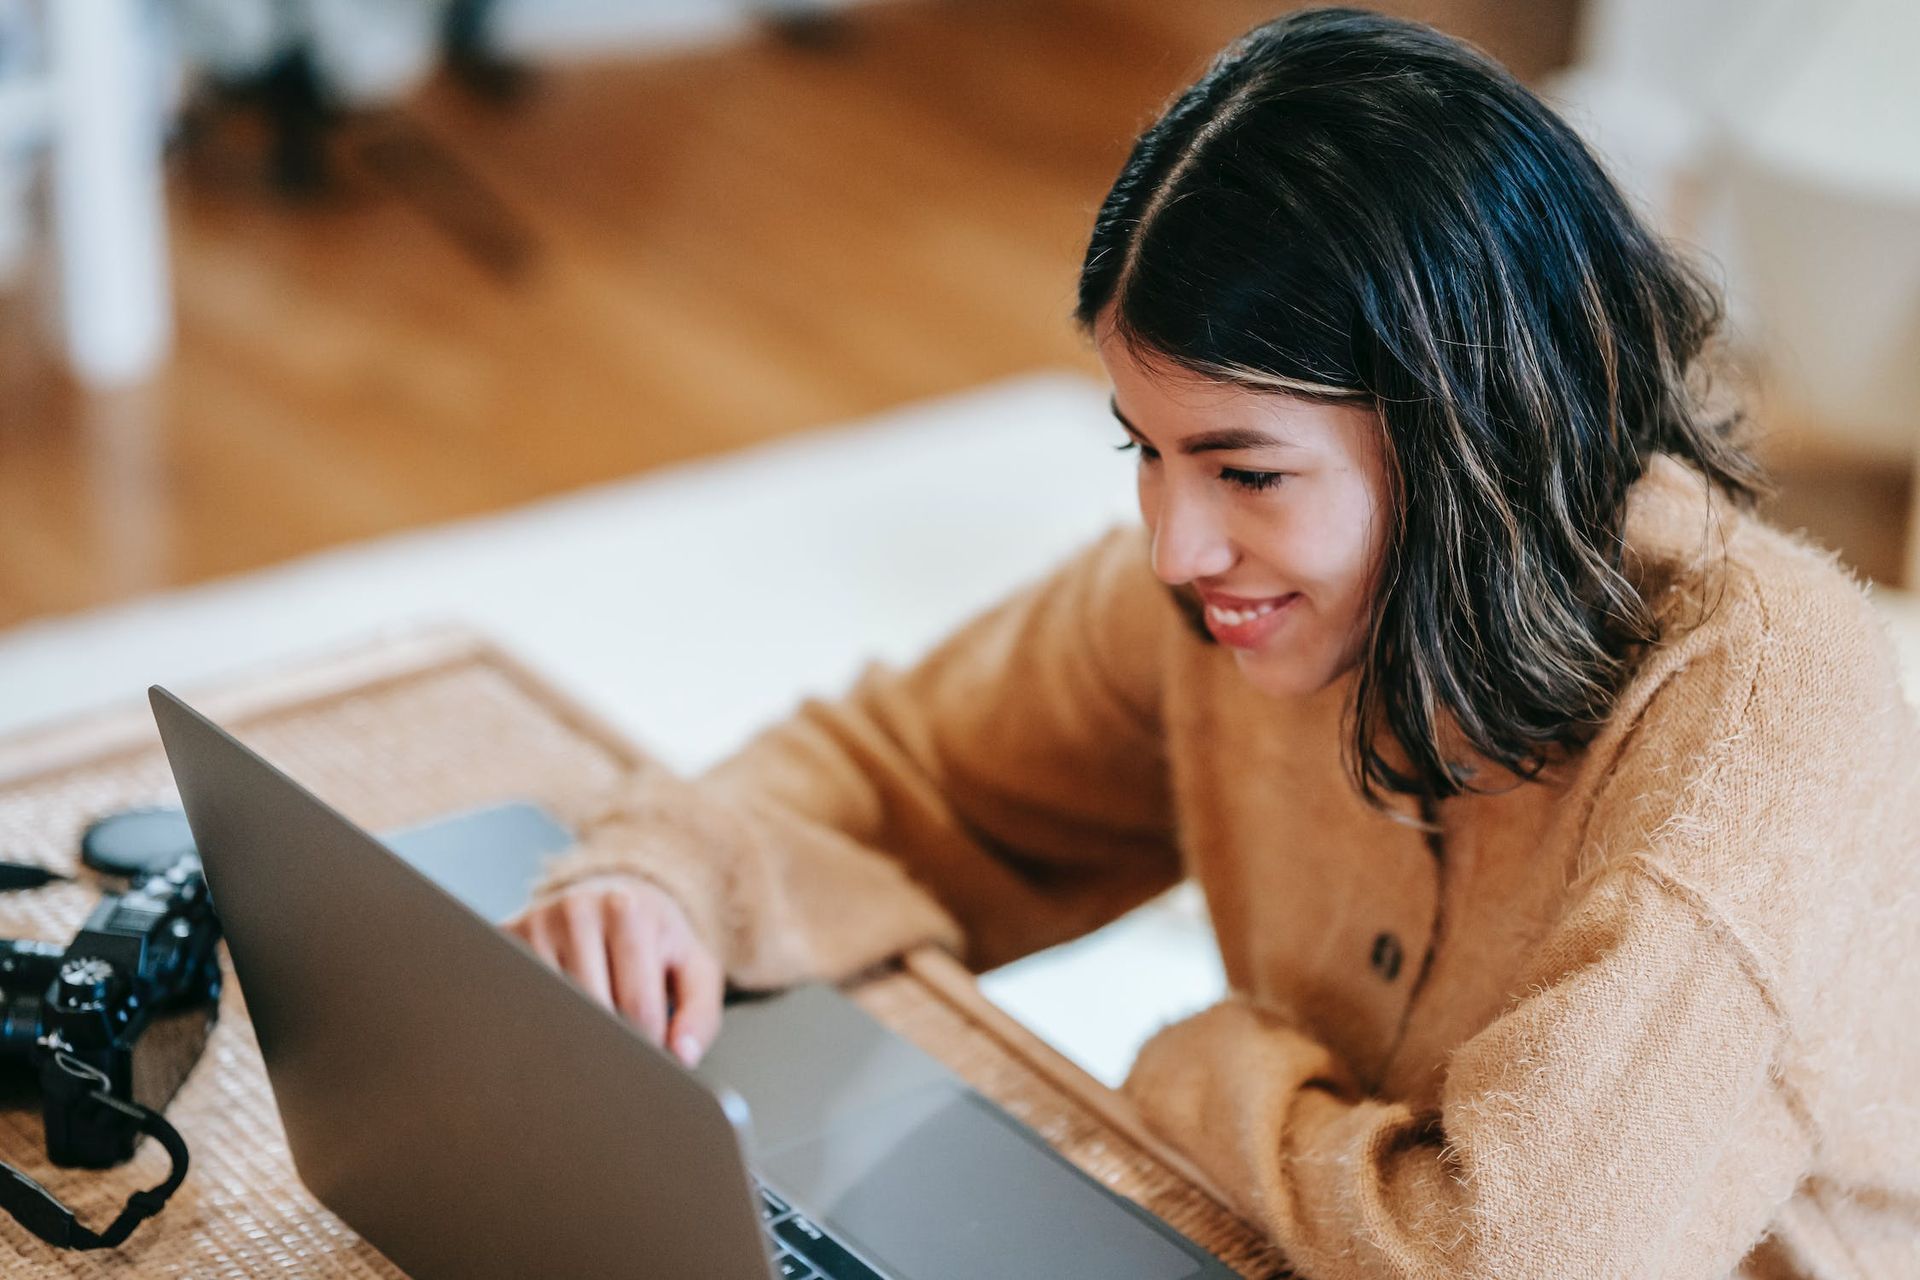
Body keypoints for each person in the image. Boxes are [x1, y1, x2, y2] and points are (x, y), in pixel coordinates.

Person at [506, 9, 1920, 1277]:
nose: (1176, 549)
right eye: (1147, 451)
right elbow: (905, 772)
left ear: (1470, 439)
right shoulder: (1238, 595)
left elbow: (1509, 1260)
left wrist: (1205, 1073)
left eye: (1246, 473)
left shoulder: (1762, 706)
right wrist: (670, 875)